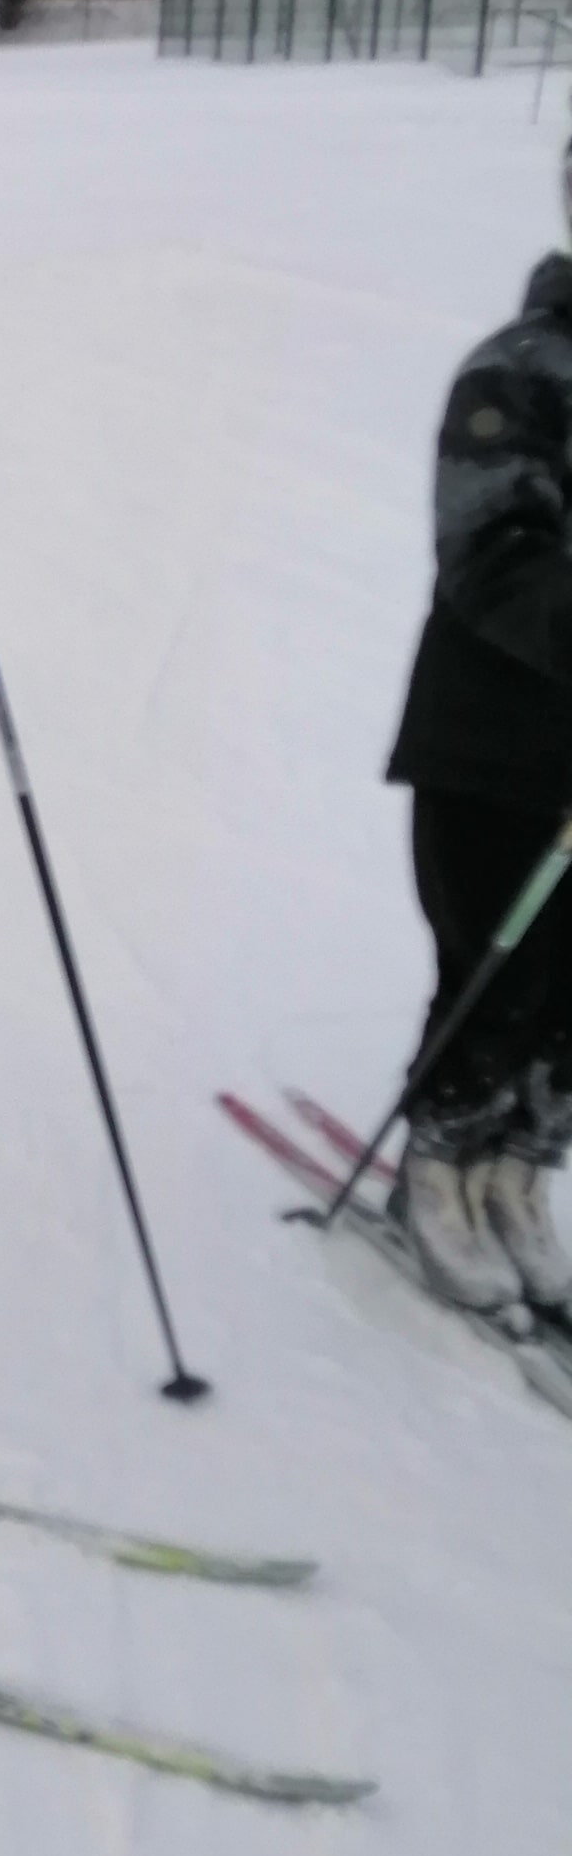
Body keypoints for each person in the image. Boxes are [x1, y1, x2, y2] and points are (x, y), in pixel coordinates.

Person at [385, 146, 572, 1315]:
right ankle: (441, 1167)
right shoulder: (520, 370)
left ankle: (518, 1172)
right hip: (497, 744)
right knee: (496, 972)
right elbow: (490, 553)